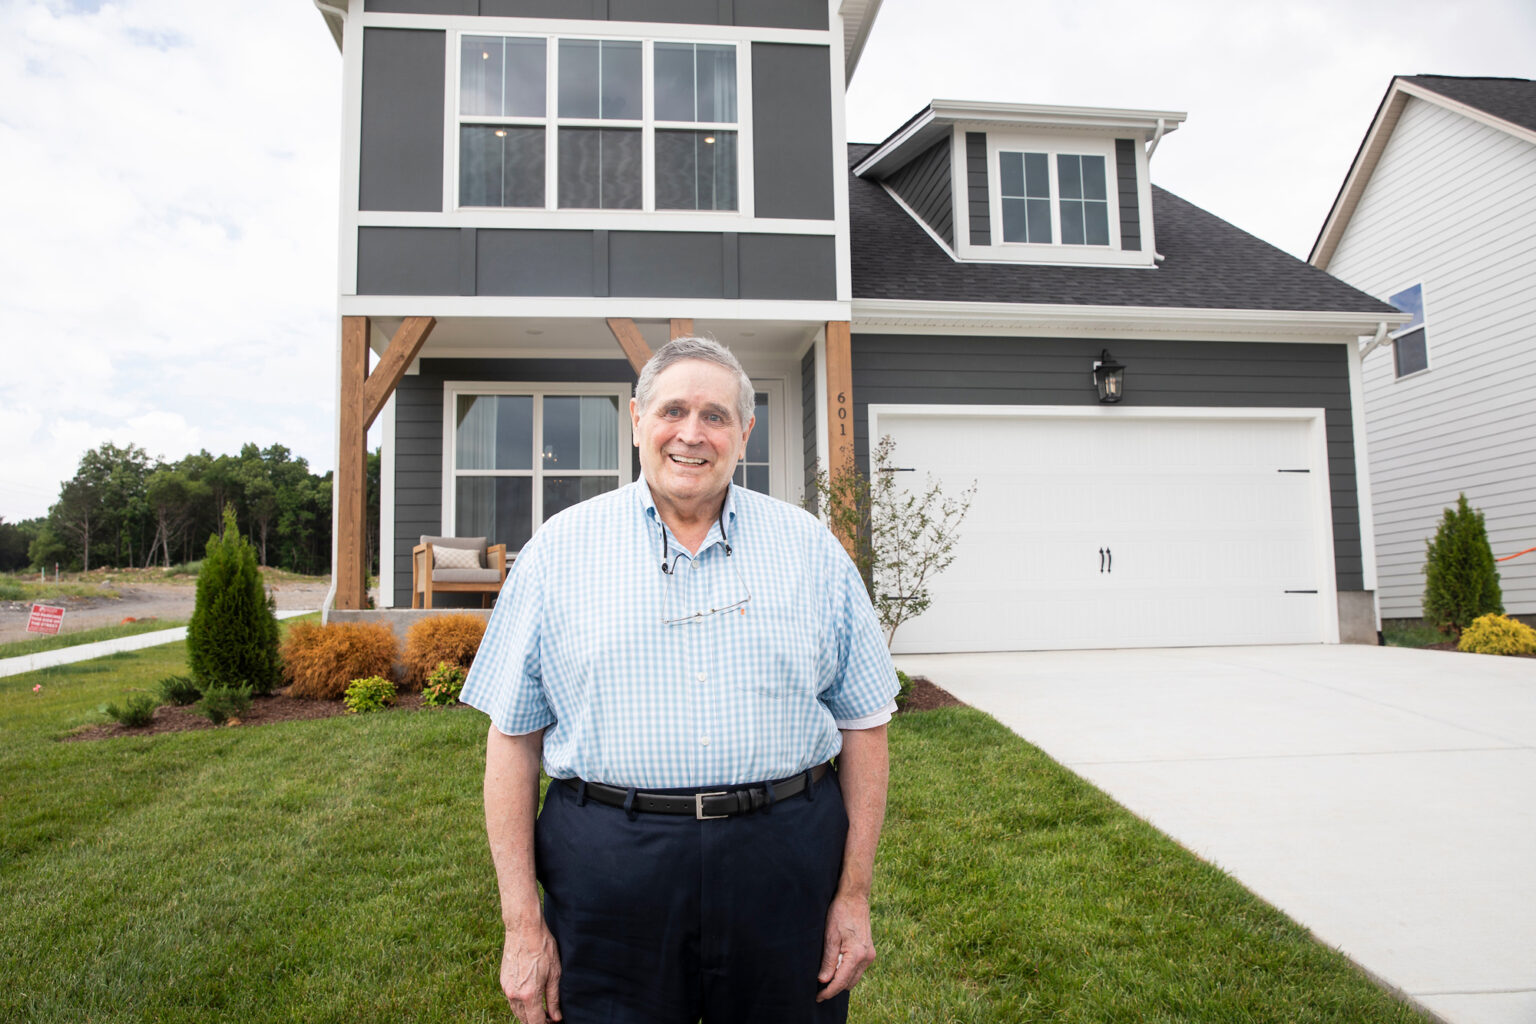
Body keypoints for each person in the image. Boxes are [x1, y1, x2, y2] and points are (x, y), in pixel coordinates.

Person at [460, 336, 899, 1024]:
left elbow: (865, 723)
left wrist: (853, 894)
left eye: (716, 416)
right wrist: (522, 926)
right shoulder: (558, 552)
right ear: (636, 419)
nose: (691, 434)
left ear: (745, 432)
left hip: (783, 863)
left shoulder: (812, 550)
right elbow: (512, 740)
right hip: (610, 869)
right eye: (673, 411)